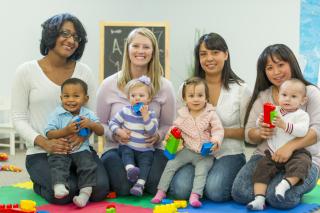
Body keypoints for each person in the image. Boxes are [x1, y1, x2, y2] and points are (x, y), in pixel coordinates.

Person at [11, 13, 109, 204]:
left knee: (100, 190)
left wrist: (83, 136)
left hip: (79, 148)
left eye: (76, 37)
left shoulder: (84, 72)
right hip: (41, 152)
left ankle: (58, 181)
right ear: (51, 34)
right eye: (65, 33)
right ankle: (39, 183)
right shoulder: (26, 71)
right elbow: (19, 117)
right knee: (68, 191)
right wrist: (44, 142)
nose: (71, 40)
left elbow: (92, 115)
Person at [232, 44, 320, 209]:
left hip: (304, 157)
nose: (276, 72)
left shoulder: (310, 93)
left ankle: (280, 185)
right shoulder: (263, 97)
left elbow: (317, 131)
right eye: (270, 67)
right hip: (267, 155)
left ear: (291, 63)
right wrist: (260, 132)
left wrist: (290, 147)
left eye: (281, 65)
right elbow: (249, 133)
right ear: (264, 71)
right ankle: (269, 187)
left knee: (279, 198)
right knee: (240, 193)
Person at [169, 33, 251, 201]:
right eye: (203, 54)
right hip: (194, 152)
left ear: (226, 55)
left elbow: (249, 132)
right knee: (179, 190)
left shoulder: (241, 89)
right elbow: (178, 122)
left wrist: (217, 134)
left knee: (216, 191)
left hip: (229, 152)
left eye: (215, 52)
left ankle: (208, 182)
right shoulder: (186, 88)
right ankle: (201, 183)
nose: (209, 58)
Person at [97, 27, 176, 196]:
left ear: (153, 52)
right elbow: (100, 124)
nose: (141, 51)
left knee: (154, 186)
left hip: (151, 150)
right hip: (117, 148)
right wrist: (115, 134)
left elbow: (169, 124)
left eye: (146, 47)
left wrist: (158, 136)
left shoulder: (165, 87)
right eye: (136, 46)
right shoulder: (108, 85)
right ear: (128, 49)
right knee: (124, 188)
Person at [151, 77, 224, 207]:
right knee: (171, 164)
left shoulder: (210, 114)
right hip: (187, 150)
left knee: (201, 170)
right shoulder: (182, 115)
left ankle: (195, 195)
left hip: (204, 154)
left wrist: (215, 141)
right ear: (185, 99)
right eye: (191, 96)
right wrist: (169, 136)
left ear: (206, 97)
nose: (196, 99)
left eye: (200, 95)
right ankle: (161, 191)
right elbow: (174, 129)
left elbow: (218, 130)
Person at [247, 79, 311, 210]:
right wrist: (261, 121)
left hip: (296, 153)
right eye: (284, 95)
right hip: (272, 151)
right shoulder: (273, 110)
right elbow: (259, 125)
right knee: (261, 169)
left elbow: (302, 131)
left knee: (302, 164)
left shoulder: (302, 115)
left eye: (293, 96)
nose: (287, 99)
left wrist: (284, 124)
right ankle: (259, 199)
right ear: (278, 96)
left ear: (303, 100)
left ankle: (284, 185)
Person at [45, 78, 105, 207]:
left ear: (85, 98)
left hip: (81, 150)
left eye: (76, 96)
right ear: (61, 97)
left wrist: (91, 124)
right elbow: (49, 133)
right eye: (66, 96)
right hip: (62, 150)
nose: (71, 100)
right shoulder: (56, 114)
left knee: (88, 166)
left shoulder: (88, 114)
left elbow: (101, 131)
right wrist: (65, 130)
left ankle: (84, 194)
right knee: (57, 163)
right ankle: (59, 185)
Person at [109, 75, 158, 196]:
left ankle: (140, 185)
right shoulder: (125, 111)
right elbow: (112, 123)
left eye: (141, 96)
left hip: (145, 149)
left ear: (149, 98)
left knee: (146, 163)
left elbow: (152, 131)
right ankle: (130, 169)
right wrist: (119, 132)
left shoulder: (151, 114)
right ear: (128, 97)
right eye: (133, 96)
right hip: (128, 145)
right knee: (125, 152)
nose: (137, 99)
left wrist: (145, 116)